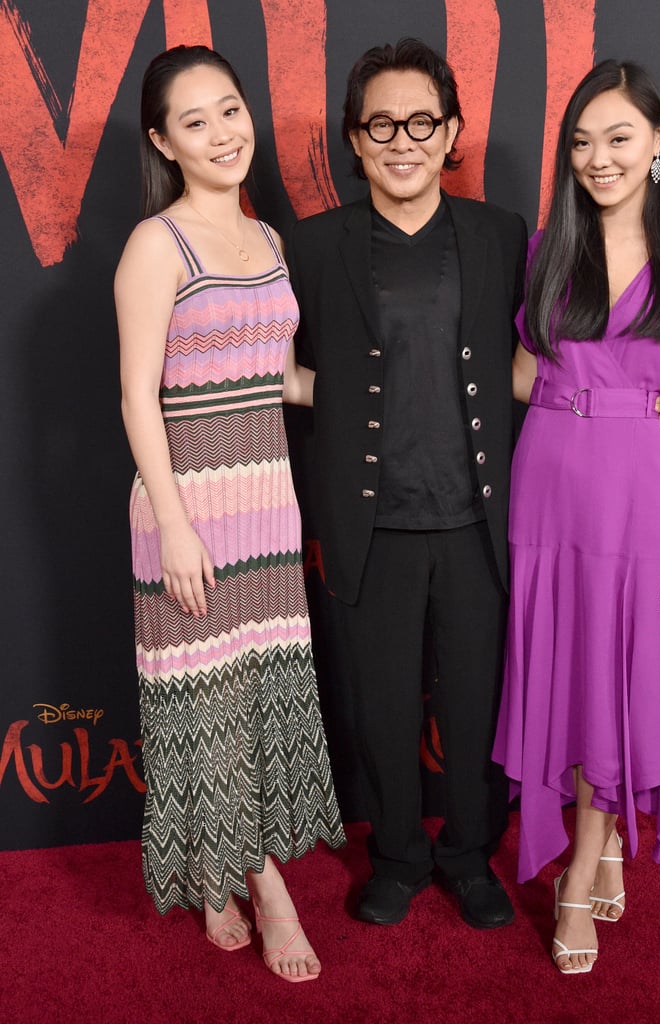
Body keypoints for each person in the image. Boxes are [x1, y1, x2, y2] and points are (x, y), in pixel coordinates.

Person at [492, 59, 660, 974]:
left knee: (611, 672)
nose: (597, 158)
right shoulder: (545, 252)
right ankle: (595, 851)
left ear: (658, 148)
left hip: (640, 486)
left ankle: (581, 874)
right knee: (560, 666)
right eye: (581, 141)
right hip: (546, 476)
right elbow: (524, 375)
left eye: (618, 138)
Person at [115, 44, 345, 982]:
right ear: (164, 140)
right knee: (205, 702)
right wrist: (172, 523)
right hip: (190, 504)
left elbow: (278, 378)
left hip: (266, 502)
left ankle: (222, 868)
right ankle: (267, 886)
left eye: (231, 108)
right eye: (196, 119)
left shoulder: (271, 241)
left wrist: (381, 397)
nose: (222, 131)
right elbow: (137, 398)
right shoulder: (154, 245)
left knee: (252, 694)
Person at [286, 38, 527, 930]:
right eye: (380, 122)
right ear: (355, 138)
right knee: (381, 708)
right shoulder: (312, 248)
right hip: (369, 524)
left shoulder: (502, 235)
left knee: (474, 704)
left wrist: (625, 402)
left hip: (477, 522)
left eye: (422, 120)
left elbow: (548, 352)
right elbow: (280, 366)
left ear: (452, 130)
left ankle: (468, 855)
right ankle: (396, 857)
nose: (403, 138)